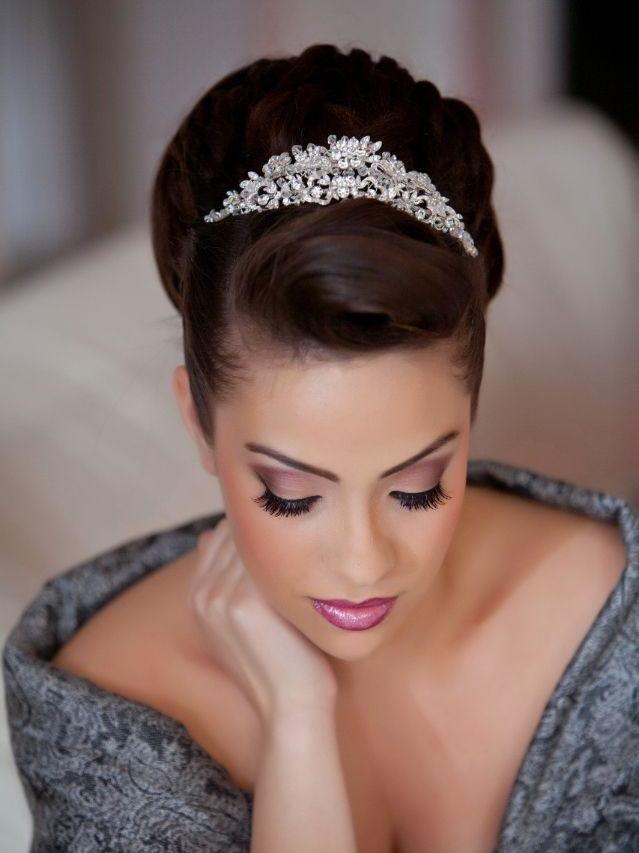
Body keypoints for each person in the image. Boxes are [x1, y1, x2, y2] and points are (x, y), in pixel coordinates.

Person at [3, 43, 638, 853]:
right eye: (291, 495)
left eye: (417, 485)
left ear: (470, 416)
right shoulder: (110, 726)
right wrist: (299, 723)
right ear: (198, 424)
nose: (362, 562)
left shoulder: (607, 618)